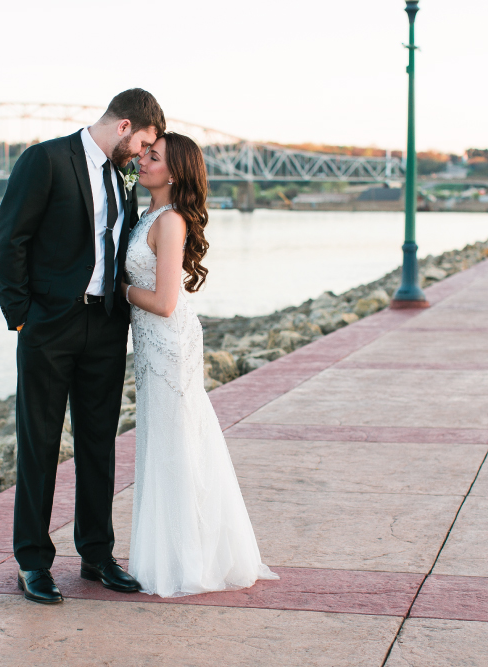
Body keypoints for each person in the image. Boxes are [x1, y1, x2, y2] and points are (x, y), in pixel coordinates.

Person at [0, 89, 165, 604]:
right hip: (49, 327)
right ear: (125, 125)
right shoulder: (45, 160)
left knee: (98, 445)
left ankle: (96, 554)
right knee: (40, 445)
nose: (141, 156)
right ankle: (33, 562)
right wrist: (22, 318)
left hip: (106, 328)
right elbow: (9, 241)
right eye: (143, 145)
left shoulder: (120, 174)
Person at [120, 133, 278, 597]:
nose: (142, 160)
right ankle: (164, 554)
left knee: (176, 444)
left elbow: (166, 302)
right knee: (160, 441)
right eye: (144, 153)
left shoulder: (169, 222)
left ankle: (186, 563)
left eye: (154, 156)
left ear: (174, 172)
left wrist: (118, 292)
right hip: (150, 346)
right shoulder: (145, 213)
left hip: (168, 343)